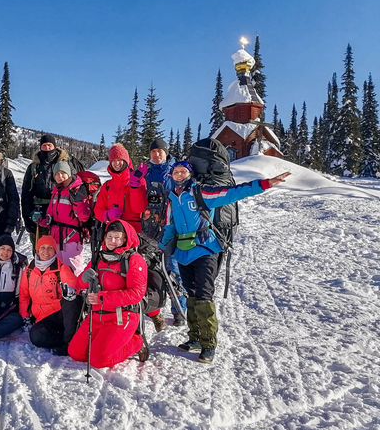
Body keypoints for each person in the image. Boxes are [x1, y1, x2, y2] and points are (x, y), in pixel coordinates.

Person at [160, 161, 290, 363]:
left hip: (205, 250)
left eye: (182, 171)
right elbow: (170, 226)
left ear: (190, 173)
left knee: (203, 296)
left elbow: (233, 193)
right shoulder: (171, 199)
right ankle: (194, 338)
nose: (178, 174)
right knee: (191, 295)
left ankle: (209, 344)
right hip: (184, 253)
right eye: (175, 172)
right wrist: (163, 247)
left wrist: (265, 184)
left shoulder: (200, 192)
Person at [68, 220, 153, 368]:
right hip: (96, 315)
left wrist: (102, 298)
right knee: (76, 353)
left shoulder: (134, 260)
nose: (113, 241)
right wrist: (83, 278)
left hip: (122, 316)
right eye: (109, 237)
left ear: (125, 239)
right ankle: (105, 343)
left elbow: (137, 294)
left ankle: (137, 342)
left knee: (98, 360)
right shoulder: (99, 258)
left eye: (117, 237)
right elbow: (79, 285)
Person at [139, 137, 188, 326]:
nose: (157, 154)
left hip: (170, 225)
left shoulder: (174, 172)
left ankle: (179, 309)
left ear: (166, 152)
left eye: (160, 151)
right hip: (149, 227)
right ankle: (151, 307)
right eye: (153, 152)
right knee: (150, 268)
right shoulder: (146, 173)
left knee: (172, 268)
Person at [19, 235, 81, 356]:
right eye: (43, 248)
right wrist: (25, 314)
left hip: (60, 315)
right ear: (37, 250)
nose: (46, 252)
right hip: (42, 318)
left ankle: (69, 342)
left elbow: (75, 291)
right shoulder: (30, 270)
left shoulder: (62, 269)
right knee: (36, 336)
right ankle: (68, 339)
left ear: (55, 251)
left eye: (50, 248)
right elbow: (24, 294)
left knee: (72, 299)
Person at [21, 134, 84, 251]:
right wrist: (27, 217)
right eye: (44, 145)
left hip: (62, 213)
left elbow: (77, 186)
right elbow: (26, 194)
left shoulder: (66, 163)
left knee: (60, 249)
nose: (47, 148)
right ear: (40, 147)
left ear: (54, 146)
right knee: (41, 249)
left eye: (49, 145)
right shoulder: (34, 167)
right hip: (39, 214)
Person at [37, 161, 92, 272]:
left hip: (71, 239)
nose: (59, 176)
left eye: (63, 173)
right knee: (56, 272)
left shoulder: (77, 189)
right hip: (56, 239)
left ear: (69, 173)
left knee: (72, 272)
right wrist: (44, 221)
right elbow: (51, 214)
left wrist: (79, 202)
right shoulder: (56, 191)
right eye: (57, 174)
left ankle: (76, 290)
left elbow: (84, 217)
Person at [94, 143, 148, 235]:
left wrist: (135, 187)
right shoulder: (107, 186)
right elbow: (98, 211)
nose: (116, 163)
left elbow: (139, 209)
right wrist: (107, 215)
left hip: (133, 232)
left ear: (126, 160)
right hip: (112, 234)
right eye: (113, 160)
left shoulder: (139, 181)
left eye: (120, 160)